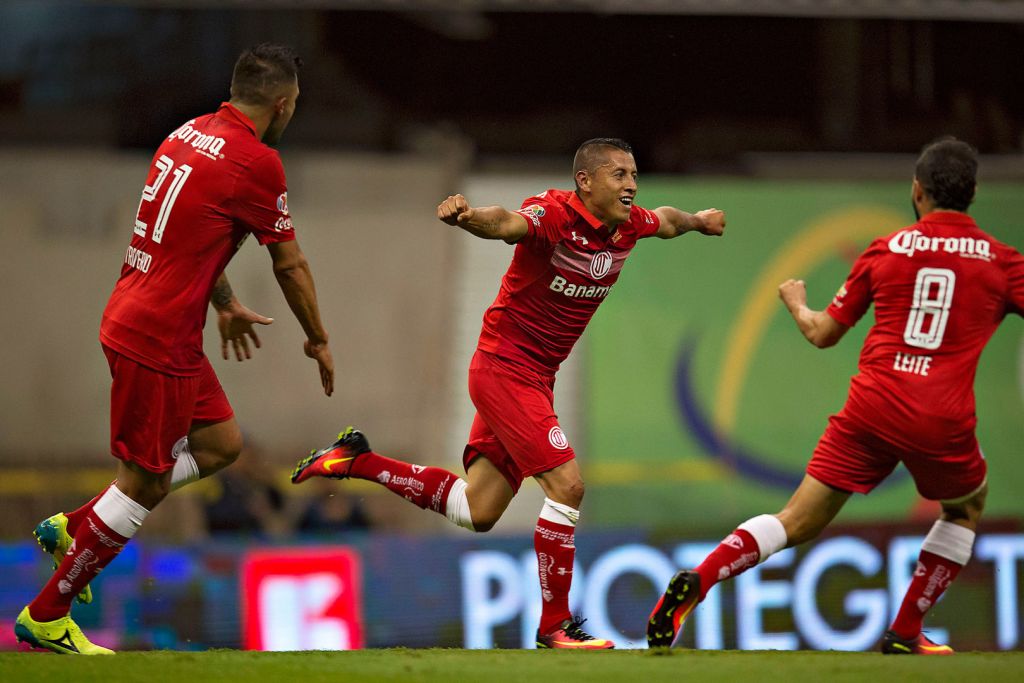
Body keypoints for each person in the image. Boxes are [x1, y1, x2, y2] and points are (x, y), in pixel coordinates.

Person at [292, 138, 725, 649]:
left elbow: (667, 220)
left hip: (535, 378)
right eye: (618, 174)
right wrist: (467, 216)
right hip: (504, 369)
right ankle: (555, 626)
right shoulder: (555, 216)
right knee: (568, 486)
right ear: (585, 181)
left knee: (477, 511)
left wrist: (699, 219)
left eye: (634, 174)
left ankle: (354, 461)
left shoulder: (629, 225)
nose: (631, 184)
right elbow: (507, 223)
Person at [15, 43, 334, 655]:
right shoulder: (257, 162)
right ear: (284, 102)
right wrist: (317, 339)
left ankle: (76, 525)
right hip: (155, 338)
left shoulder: (187, 133)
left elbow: (192, 233)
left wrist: (223, 303)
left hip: (150, 321)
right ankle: (47, 615)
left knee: (222, 445)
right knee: (145, 485)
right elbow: (290, 264)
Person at [647, 137, 1024, 655]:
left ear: (917, 192)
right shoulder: (1003, 261)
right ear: (974, 193)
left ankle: (703, 578)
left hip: (871, 406)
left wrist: (798, 303)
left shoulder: (886, 249)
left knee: (796, 519)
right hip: (940, 415)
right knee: (964, 507)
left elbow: (823, 333)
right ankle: (906, 631)